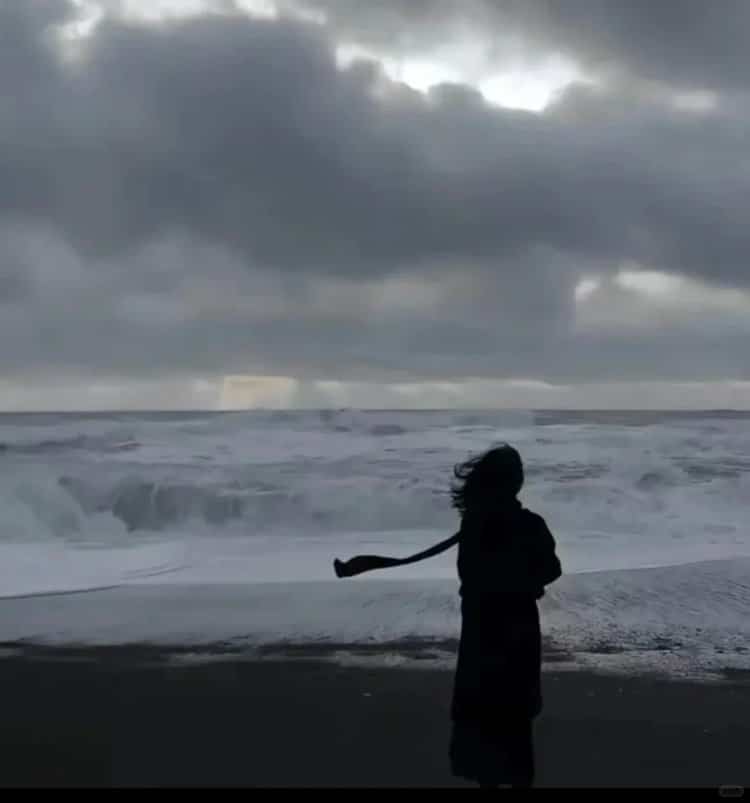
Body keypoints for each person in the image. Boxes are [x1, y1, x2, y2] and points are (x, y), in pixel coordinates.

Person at [334, 444, 562, 788]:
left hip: (481, 630)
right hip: (517, 630)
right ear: (515, 483)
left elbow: (470, 577)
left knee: (483, 711)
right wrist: (525, 584)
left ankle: (488, 780)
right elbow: (551, 569)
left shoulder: (474, 525)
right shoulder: (528, 524)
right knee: (515, 715)